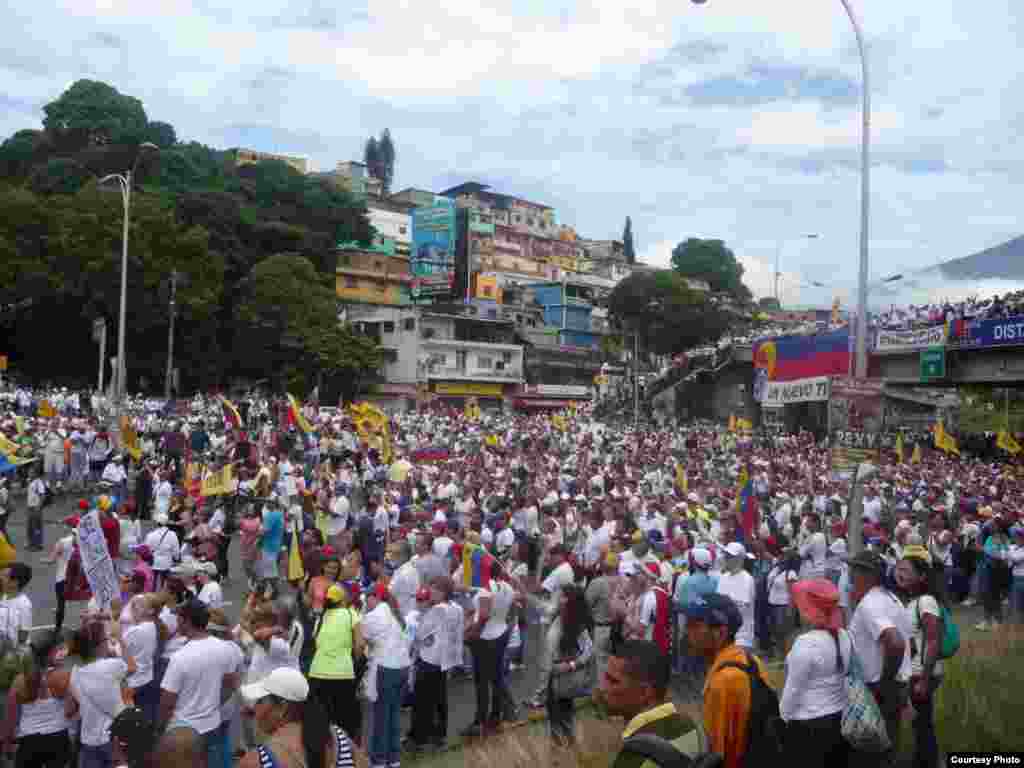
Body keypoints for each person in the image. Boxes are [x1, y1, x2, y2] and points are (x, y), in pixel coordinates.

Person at [682, 592, 767, 768]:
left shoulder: (723, 681)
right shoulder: (751, 661)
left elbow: (717, 756)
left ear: (720, 632)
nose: (687, 631)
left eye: (694, 625)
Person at [158, 599, 244, 768]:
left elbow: (167, 703)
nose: (176, 622)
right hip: (211, 724)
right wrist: (212, 705)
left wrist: (159, 730)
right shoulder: (224, 648)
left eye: (179, 618)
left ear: (187, 621)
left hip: (181, 731)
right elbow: (229, 684)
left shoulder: (179, 658)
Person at [847, 550, 912, 762]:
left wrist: (884, 683)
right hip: (896, 684)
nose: (850, 575)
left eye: (853, 569)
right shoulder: (891, 599)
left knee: (870, 754)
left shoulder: (870, 604)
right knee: (887, 749)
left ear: (867, 574)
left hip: (878, 687)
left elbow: (896, 642)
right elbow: (907, 643)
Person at [779, 579, 851, 764]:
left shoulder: (806, 643)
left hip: (809, 724)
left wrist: (782, 719)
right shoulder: (844, 635)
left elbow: (793, 690)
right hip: (839, 717)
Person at [603, 640, 702, 768]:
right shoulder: (691, 728)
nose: (603, 688)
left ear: (644, 692)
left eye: (613, 681)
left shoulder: (635, 756)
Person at [238, 667, 355, 768]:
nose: (254, 709)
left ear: (282, 708)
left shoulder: (255, 761)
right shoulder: (340, 739)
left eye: (259, 701)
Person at [895, 546, 945, 768]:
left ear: (922, 576)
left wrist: (924, 679)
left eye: (906, 570)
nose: (900, 574)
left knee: (922, 725)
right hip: (914, 673)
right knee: (920, 725)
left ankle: (928, 762)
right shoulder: (912, 601)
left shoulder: (926, 602)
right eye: (898, 569)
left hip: (922, 674)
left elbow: (934, 640)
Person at [68, 621, 137, 768]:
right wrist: (120, 639)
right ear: (99, 645)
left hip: (88, 739)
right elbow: (132, 667)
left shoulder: (75, 672)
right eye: (106, 639)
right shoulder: (112, 666)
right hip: (114, 738)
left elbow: (73, 706)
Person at [0, 631, 72, 768]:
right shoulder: (65, 677)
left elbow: (10, 718)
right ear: (51, 653)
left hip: (28, 742)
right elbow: (70, 711)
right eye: (60, 649)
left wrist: (6, 743)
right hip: (58, 739)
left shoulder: (19, 681)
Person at [360, 583, 411, 768]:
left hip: (386, 668)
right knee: (394, 715)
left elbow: (360, 640)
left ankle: (379, 761)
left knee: (381, 716)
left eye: (368, 598)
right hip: (402, 667)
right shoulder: (394, 614)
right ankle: (393, 759)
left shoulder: (374, 616)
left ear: (376, 597)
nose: (366, 602)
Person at [308, 584, 364, 744]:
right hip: (342, 674)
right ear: (343, 600)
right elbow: (360, 644)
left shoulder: (321, 618)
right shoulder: (350, 613)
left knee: (322, 721)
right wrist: (354, 662)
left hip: (317, 673)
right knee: (344, 722)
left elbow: (316, 641)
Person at [545, 584, 593, 746]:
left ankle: (567, 748)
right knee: (557, 716)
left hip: (565, 677)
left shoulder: (577, 624)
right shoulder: (557, 617)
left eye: (564, 596)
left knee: (563, 714)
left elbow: (588, 651)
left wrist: (571, 665)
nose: (560, 599)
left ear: (571, 601)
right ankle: (562, 747)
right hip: (553, 674)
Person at [716, 542, 756, 652]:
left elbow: (739, 609)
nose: (726, 559)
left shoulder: (747, 579)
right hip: (724, 635)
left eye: (730, 556)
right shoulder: (723, 577)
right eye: (726, 556)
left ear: (739, 559)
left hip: (741, 638)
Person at [145, 513, 181, 592]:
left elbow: (147, 550)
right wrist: (176, 558)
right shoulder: (173, 535)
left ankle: (152, 596)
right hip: (167, 563)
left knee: (153, 583)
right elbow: (176, 551)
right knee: (164, 585)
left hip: (154, 562)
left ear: (157, 523)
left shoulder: (151, 535)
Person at [26, 471, 46, 552]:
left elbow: (43, 495)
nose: (29, 474)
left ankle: (38, 545)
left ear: (35, 473)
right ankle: (31, 543)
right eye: (29, 472)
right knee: (30, 527)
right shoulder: (30, 482)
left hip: (36, 508)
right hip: (30, 507)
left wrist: (38, 506)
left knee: (36, 527)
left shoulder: (39, 482)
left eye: (31, 472)